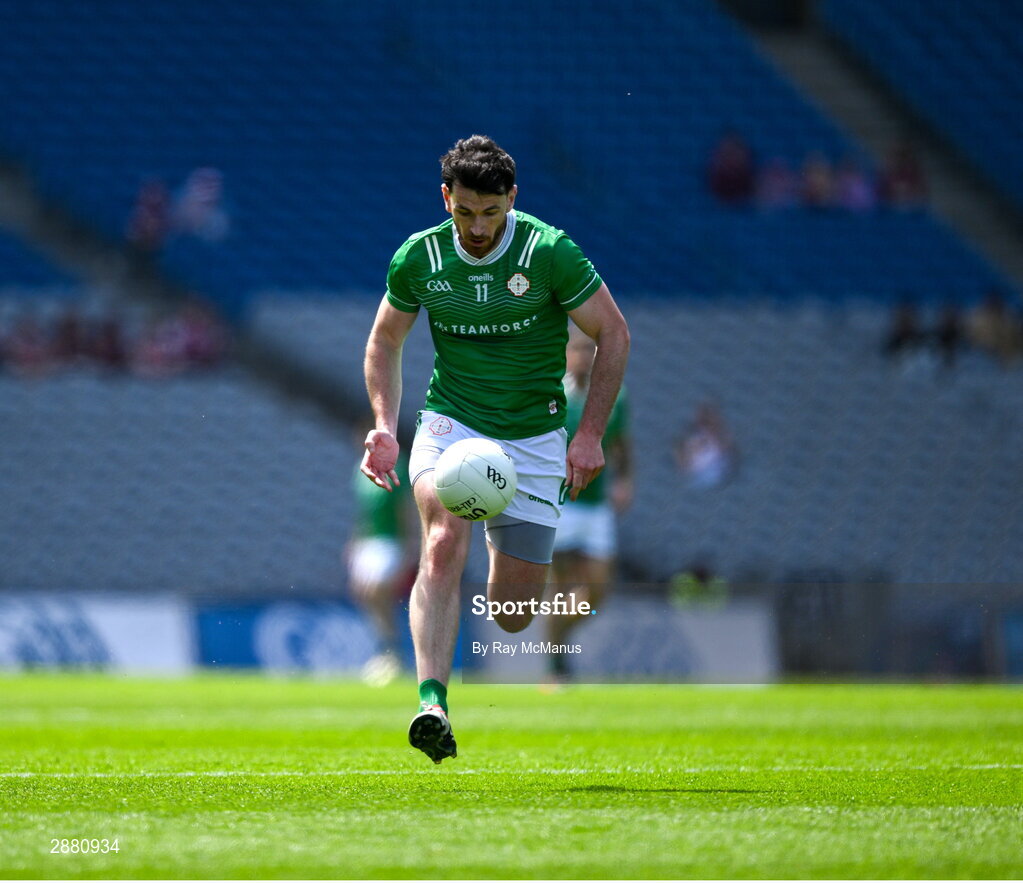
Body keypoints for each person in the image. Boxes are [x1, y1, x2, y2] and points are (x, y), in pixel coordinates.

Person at [360, 135, 630, 763]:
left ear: (512, 199)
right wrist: (382, 422)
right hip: (453, 425)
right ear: (446, 198)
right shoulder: (419, 258)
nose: (478, 227)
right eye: (465, 212)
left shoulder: (550, 252)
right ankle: (432, 702)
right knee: (441, 538)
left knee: (512, 614)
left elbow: (613, 333)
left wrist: (587, 434)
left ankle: (494, 527)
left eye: (491, 212)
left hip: (534, 440)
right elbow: (384, 342)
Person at [547, 329, 632, 682]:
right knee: (560, 588)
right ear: (564, 354)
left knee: (597, 590)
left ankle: (560, 640)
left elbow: (621, 446)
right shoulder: (552, 396)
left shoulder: (614, 397)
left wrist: (625, 481)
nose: (582, 357)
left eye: (588, 350)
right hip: (561, 506)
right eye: (576, 350)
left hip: (596, 507)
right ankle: (555, 667)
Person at [347, 415, 417, 686]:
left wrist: (411, 547)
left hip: (391, 541)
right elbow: (363, 513)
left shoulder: (395, 467)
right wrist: (354, 541)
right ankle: (385, 648)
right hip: (369, 541)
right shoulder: (360, 470)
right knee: (364, 593)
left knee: (377, 591)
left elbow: (405, 511)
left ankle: (392, 651)